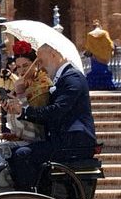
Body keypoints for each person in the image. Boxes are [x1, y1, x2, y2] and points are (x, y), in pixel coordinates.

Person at [6, 43, 97, 190]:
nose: (40, 65)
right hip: (61, 139)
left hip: (72, 142)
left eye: (41, 60)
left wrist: (24, 112)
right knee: (12, 152)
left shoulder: (72, 77)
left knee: (22, 155)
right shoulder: (61, 78)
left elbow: (57, 110)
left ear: (54, 55)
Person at [3, 40, 51, 142]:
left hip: (40, 137)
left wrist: (20, 94)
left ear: (36, 64)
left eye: (25, 66)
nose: (21, 71)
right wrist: (11, 110)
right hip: (24, 135)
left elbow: (35, 124)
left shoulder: (43, 85)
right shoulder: (22, 83)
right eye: (19, 67)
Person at [83, 20, 117, 90]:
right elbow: (109, 43)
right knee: (104, 71)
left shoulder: (89, 34)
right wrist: (113, 50)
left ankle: (95, 86)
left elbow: (88, 47)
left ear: (93, 27)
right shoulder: (104, 33)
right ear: (100, 26)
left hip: (95, 57)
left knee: (95, 72)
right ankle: (106, 86)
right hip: (103, 57)